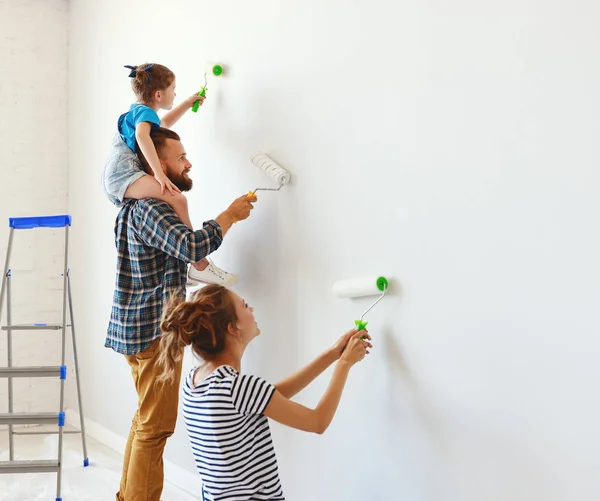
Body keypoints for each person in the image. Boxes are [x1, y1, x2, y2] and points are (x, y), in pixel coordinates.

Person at [104, 126, 258, 501]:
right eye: (181, 158)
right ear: (159, 164)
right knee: (154, 429)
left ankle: (127, 496)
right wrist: (230, 215)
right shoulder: (151, 208)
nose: (188, 163)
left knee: (145, 421)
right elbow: (190, 246)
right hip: (152, 335)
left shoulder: (136, 208)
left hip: (138, 331)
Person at [157, 284, 373, 501]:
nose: (251, 310)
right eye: (245, 306)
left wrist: (333, 353)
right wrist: (345, 363)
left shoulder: (195, 381)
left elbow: (269, 397)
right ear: (233, 328)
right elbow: (318, 422)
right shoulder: (238, 388)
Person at [101, 62, 236, 286]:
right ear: (158, 94)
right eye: (173, 90)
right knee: (177, 199)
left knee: (174, 200)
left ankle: (193, 266)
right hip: (123, 175)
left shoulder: (139, 112)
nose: (175, 94)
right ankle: (199, 265)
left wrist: (185, 104)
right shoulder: (144, 115)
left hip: (116, 177)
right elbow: (144, 137)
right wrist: (159, 174)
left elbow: (163, 125)